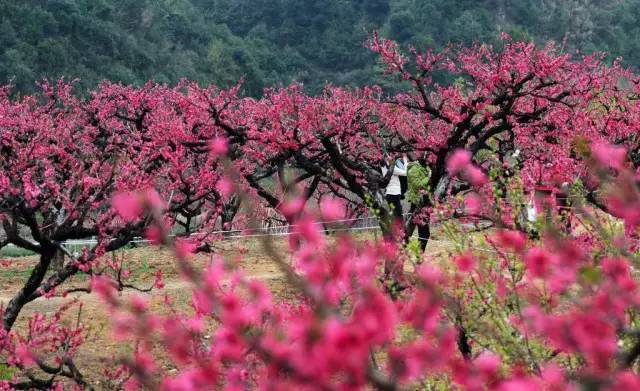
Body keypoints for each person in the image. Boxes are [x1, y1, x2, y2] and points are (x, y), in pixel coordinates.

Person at [381, 154, 408, 221]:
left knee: (394, 212)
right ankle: (399, 229)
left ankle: (395, 229)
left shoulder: (383, 167)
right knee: (398, 213)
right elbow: (405, 172)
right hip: (395, 194)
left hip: (389, 194)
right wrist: (405, 160)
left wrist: (389, 159)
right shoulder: (393, 169)